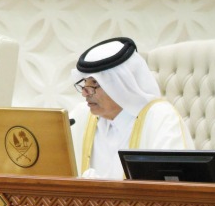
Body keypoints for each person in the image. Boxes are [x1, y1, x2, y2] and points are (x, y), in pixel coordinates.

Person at [69, 36, 192, 179]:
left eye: (95, 84)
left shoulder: (160, 117)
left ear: (120, 84)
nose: (85, 92)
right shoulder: (81, 116)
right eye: (84, 84)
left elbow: (172, 185)